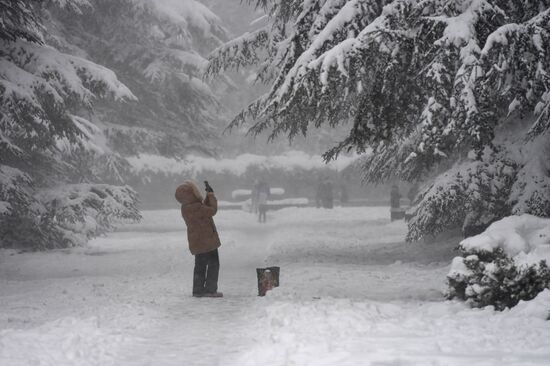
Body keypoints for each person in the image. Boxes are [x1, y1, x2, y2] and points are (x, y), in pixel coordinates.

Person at [175, 180, 223, 298]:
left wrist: (208, 196)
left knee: (200, 266)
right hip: (207, 241)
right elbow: (211, 210)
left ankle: (198, 290)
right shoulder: (196, 207)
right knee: (213, 264)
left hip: (197, 242)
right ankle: (210, 290)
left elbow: (203, 209)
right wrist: (211, 196)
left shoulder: (186, 207)